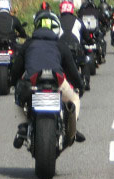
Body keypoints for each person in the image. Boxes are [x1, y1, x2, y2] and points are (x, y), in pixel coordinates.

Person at [10, 9, 85, 148]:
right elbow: (72, 70)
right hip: (57, 81)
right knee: (74, 99)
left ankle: (24, 126)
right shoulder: (61, 45)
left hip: (33, 82)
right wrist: (80, 86)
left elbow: (16, 68)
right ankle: (72, 130)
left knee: (18, 101)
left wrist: (13, 82)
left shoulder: (28, 44)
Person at [0, 0, 28, 83]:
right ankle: (18, 74)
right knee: (21, 55)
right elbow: (22, 31)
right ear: (9, 8)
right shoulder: (14, 19)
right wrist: (23, 35)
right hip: (11, 44)